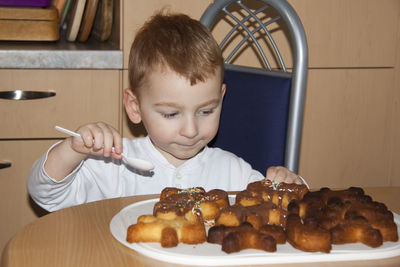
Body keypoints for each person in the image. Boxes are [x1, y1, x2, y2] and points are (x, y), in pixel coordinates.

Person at [27, 12, 307, 212]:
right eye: (171, 114)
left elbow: (290, 208)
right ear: (135, 108)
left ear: (221, 99)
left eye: (206, 111)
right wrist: (73, 150)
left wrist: (288, 183)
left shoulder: (234, 172)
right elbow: (45, 195)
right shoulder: (114, 165)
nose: (191, 130)